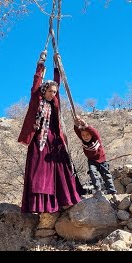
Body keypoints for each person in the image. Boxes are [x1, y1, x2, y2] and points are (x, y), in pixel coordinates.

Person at [18, 52, 82, 213]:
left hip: (54, 139)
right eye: (50, 91)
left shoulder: (55, 102)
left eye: (54, 92)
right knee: (39, 172)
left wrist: (56, 65)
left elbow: (58, 83)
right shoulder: (36, 98)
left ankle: (66, 200)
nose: (52, 94)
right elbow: (36, 81)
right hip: (39, 139)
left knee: (61, 167)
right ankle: (39, 206)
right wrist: (41, 62)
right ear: (44, 90)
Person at [73, 117, 117, 195]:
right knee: (93, 174)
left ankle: (112, 191)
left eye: (87, 134)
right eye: (83, 135)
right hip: (92, 161)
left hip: (102, 160)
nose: (85, 137)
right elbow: (77, 131)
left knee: (106, 175)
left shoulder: (96, 139)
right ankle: (98, 190)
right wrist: (76, 124)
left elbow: (94, 132)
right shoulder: (83, 140)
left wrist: (84, 124)